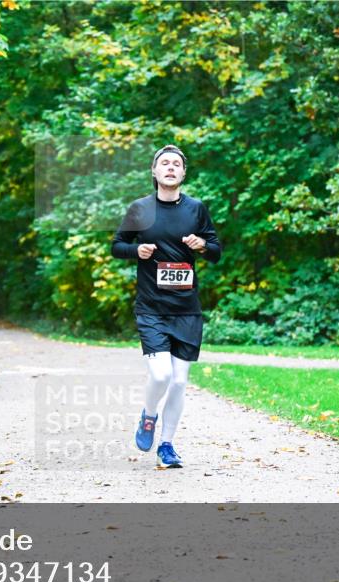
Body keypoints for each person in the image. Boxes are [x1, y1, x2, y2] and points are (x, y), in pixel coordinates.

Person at [110, 144, 222, 469]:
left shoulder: (197, 209)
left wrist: (202, 245)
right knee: (160, 376)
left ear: (183, 173)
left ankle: (167, 445)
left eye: (176, 164)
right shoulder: (140, 209)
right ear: (155, 172)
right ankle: (148, 415)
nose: (170, 167)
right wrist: (137, 251)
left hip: (187, 309)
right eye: (164, 163)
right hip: (151, 307)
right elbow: (117, 246)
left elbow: (216, 250)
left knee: (179, 382)